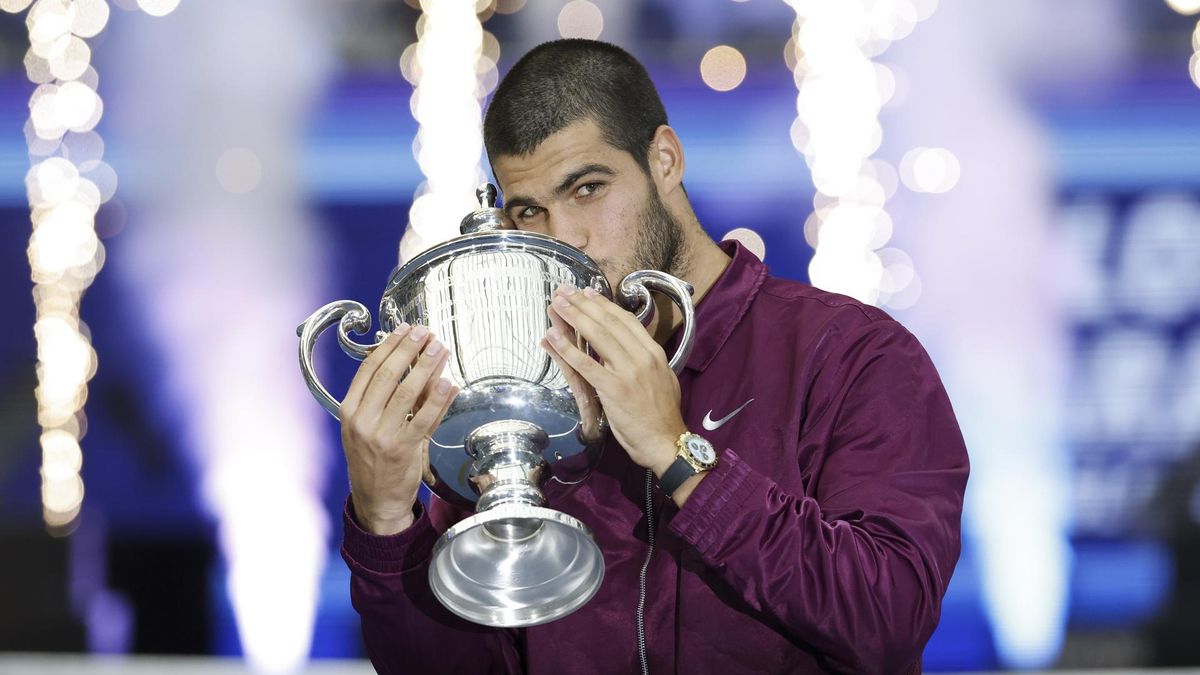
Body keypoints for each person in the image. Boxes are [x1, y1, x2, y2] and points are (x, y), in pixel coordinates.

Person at [337, 39, 969, 674]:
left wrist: (681, 455)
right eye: (530, 210)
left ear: (664, 159)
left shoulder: (848, 353)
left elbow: (889, 617)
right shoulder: (521, 390)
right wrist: (386, 521)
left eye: (587, 189)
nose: (565, 237)